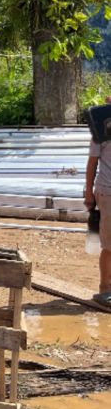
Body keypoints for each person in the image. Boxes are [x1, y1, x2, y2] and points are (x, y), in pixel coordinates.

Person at [84, 96, 111, 308]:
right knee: (110, 245)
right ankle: (104, 290)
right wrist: (89, 194)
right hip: (108, 192)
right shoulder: (100, 134)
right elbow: (92, 164)